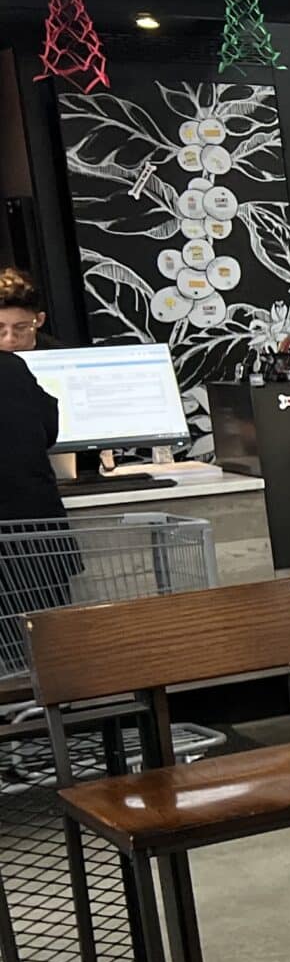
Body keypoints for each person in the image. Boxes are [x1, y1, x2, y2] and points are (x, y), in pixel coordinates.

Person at [0, 270, 78, 674]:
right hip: (34, 531)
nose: (9, 339)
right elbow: (48, 429)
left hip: (19, 532)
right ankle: (54, 719)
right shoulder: (16, 372)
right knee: (49, 648)